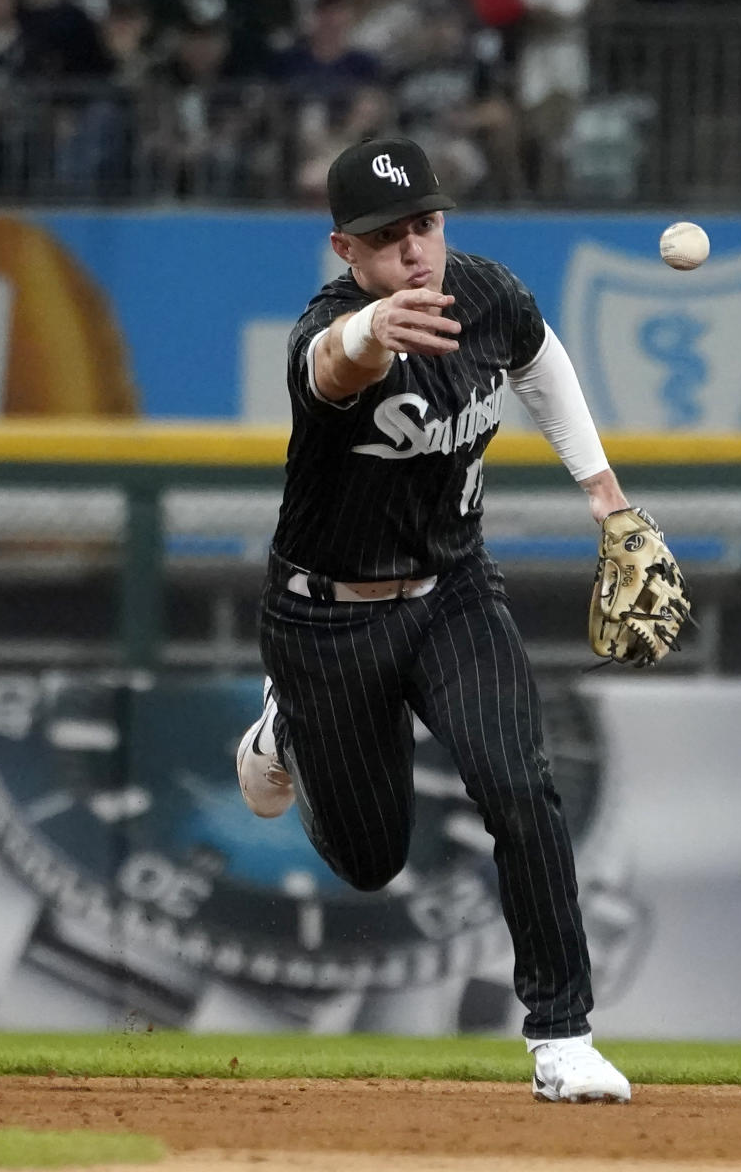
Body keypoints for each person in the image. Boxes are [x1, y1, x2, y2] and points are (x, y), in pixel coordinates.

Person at [236, 135, 632, 1104]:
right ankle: (285, 723)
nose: (414, 250)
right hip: (324, 620)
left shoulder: (483, 292)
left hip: (453, 590)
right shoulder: (331, 329)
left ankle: (562, 1033)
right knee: (372, 863)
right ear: (346, 250)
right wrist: (373, 331)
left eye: (426, 224)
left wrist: (605, 496)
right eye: (386, 237)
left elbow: (539, 355)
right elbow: (333, 367)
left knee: (519, 783)